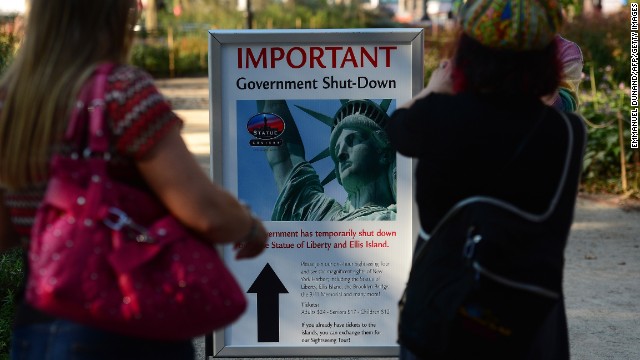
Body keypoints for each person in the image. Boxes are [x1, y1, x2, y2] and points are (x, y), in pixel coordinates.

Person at [0, 1, 268, 359]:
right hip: (125, 329)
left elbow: (5, 231)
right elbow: (204, 210)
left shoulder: (11, 101)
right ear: (113, 14)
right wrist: (249, 226)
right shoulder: (121, 92)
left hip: (40, 326)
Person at [387, 0, 586, 358]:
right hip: (527, 315)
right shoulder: (567, 133)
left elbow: (398, 129)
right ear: (546, 57)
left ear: (469, 49)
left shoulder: (438, 115)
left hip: (441, 309)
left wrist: (434, 88)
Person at [259, 99, 397, 221]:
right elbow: (285, 158)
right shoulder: (325, 220)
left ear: (384, 152)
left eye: (353, 140)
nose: (341, 154)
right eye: (336, 151)